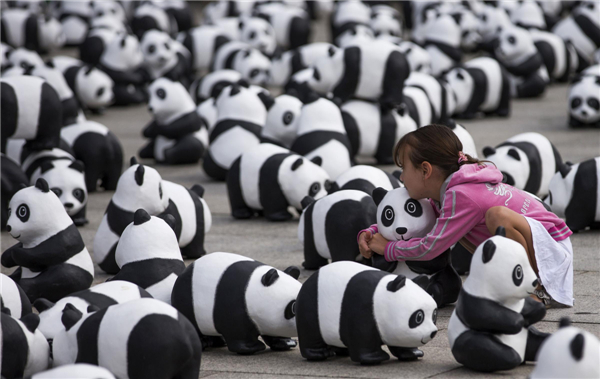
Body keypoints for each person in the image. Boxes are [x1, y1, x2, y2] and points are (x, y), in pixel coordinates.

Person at [358, 124, 573, 308]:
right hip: (539, 242)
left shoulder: (461, 195)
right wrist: (374, 231)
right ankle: (516, 284)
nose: (402, 176)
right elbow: (415, 221)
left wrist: (388, 249)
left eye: (404, 168)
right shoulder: (445, 192)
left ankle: (533, 291)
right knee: (474, 224)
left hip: (550, 250)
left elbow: (431, 247)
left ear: (425, 170)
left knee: (497, 216)